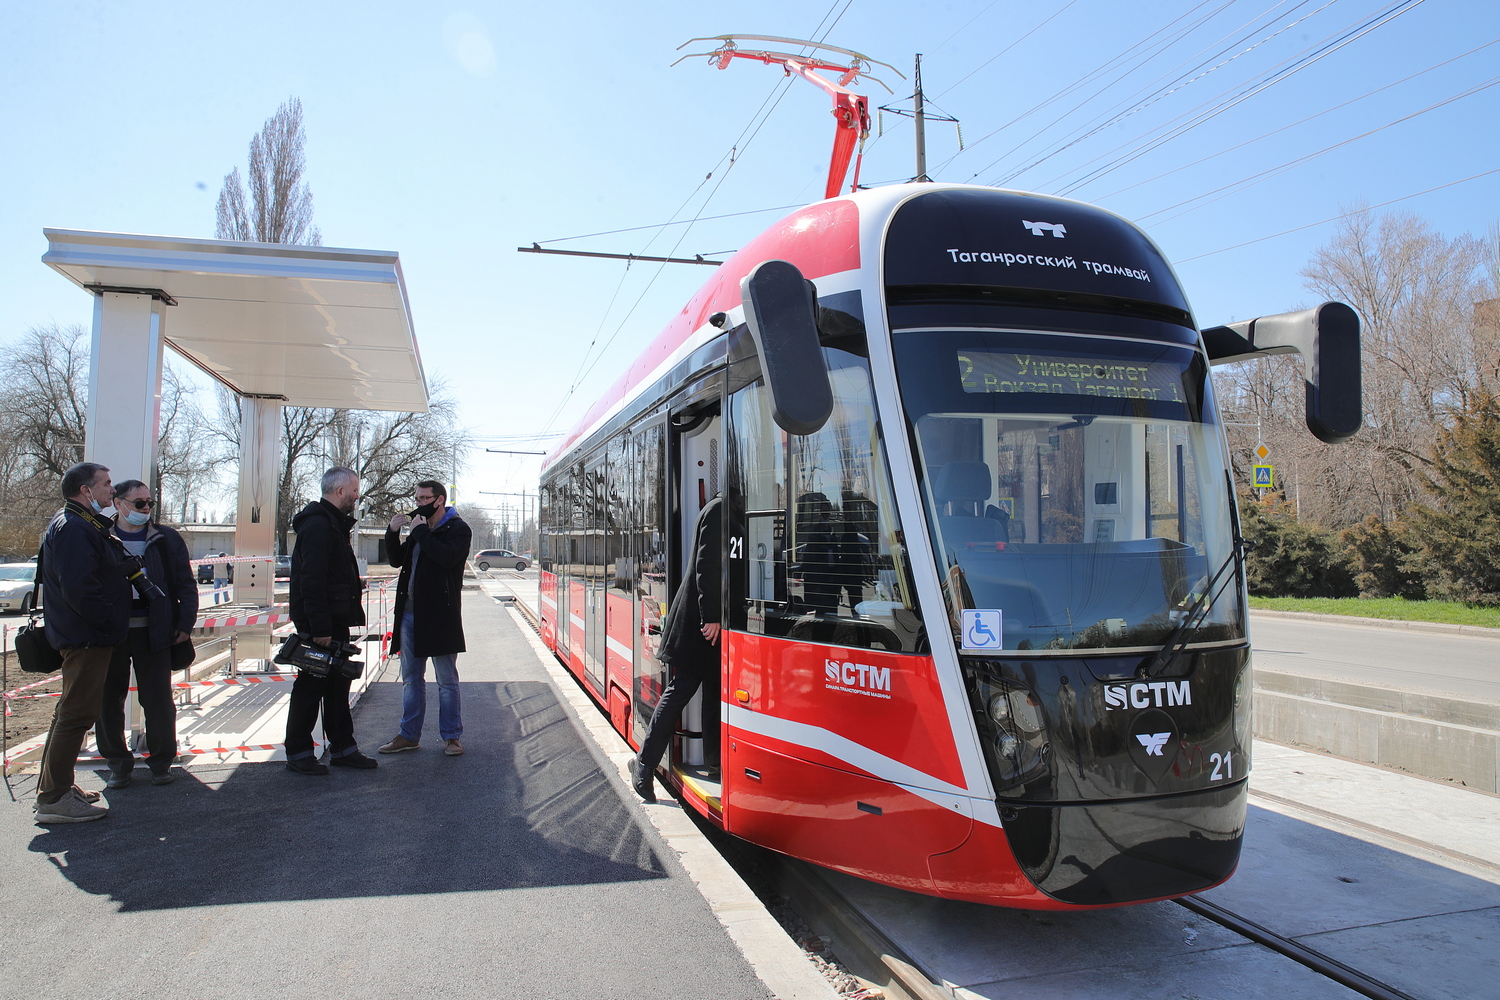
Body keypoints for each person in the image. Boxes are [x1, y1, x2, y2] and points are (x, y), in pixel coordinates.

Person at [33, 463, 131, 824]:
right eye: (105, 484)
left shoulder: (76, 523)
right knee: (76, 715)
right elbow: (81, 589)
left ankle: (56, 787)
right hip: (86, 637)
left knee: (71, 713)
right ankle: (54, 798)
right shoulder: (73, 527)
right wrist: (108, 621)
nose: (111, 490)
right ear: (85, 490)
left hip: (85, 634)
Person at [96, 479, 198, 788]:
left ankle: (161, 763)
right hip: (110, 635)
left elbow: (185, 584)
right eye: (139, 503)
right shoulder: (99, 537)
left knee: (158, 702)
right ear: (119, 503)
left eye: (149, 503)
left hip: (155, 632)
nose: (146, 509)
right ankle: (118, 765)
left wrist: (184, 623)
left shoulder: (166, 539)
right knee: (107, 703)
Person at [284, 467, 377, 775]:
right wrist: (320, 629)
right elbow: (311, 581)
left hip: (331, 620)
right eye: (354, 491)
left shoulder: (330, 524)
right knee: (311, 687)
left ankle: (343, 749)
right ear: (340, 493)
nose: (356, 497)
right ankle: (298, 753)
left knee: (337, 686)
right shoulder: (320, 527)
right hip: (321, 625)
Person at [630, 493, 722, 803]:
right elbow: (706, 566)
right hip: (701, 626)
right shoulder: (719, 509)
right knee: (680, 693)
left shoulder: (725, 508)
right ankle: (643, 764)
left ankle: (716, 763)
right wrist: (712, 617)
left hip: (713, 626)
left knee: (714, 694)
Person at [379, 480, 472, 757]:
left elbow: (446, 557)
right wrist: (392, 532)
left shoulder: (458, 529)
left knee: (446, 680)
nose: (418, 503)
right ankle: (409, 735)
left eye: (423, 498)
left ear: (439, 500)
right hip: (409, 615)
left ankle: (452, 737)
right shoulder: (419, 529)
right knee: (411, 678)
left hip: (440, 617)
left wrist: (420, 532)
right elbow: (397, 560)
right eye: (417, 498)